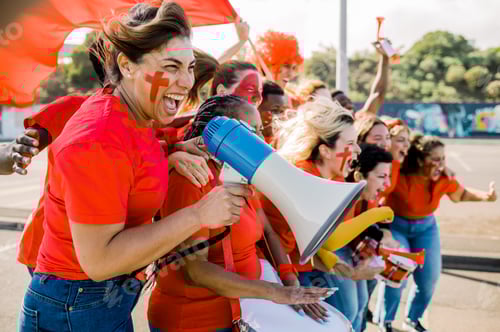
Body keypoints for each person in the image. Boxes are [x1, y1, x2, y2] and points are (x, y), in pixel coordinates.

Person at [19, 3, 253, 331]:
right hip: (78, 305)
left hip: (101, 299)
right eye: (172, 66)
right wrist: (199, 215)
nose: (186, 81)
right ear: (127, 65)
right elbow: (100, 261)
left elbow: (134, 157)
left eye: (189, 67)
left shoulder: (138, 115)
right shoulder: (99, 137)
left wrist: (172, 150)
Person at [147, 95, 333, 332]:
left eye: (260, 132)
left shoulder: (237, 172)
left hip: (241, 311)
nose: (261, 141)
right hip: (195, 321)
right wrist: (275, 293)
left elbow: (266, 230)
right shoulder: (190, 179)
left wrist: (289, 279)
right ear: (220, 133)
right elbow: (196, 271)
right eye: (250, 132)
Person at [382, 133, 497, 332]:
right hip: (397, 225)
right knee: (396, 277)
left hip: (426, 227)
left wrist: (486, 196)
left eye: (443, 159)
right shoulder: (399, 173)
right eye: (435, 159)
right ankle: (386, 321)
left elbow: (459, 194)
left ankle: (412, 319)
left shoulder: (442, 177)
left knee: (429, 279)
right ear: (419, 159)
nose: (441, 164)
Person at [331, 45, 390, 119]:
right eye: (342, 103)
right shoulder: (328, 128)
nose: (349, 105)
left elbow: (378, 93)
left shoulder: (360, 120)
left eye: (349, 101)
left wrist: (385, 58)